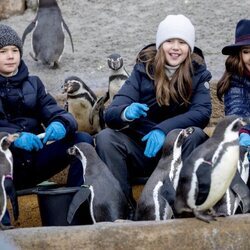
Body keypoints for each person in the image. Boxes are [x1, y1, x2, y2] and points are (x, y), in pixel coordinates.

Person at [95, 14, 212, 211]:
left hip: (177, 150)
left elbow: (202, 112)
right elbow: (111, 113)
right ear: (160, 44)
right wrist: (126, 112)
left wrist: (163, 130)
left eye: (182, 42)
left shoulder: (198, 73)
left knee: (196, 135)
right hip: (143, 149)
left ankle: (182, 204)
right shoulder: (142, 71)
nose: (175, 47)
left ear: (189, 48)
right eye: (169, 41)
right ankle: (123, 207)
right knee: (106, 138)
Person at [0, 24, 93, 224]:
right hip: (6, 167)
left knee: (82, 142)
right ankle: (3, 224)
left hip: (34, 161)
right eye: (3, 51)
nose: (10, 56)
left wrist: (61, 123)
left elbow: (57, 112)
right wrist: (11, 139)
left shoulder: (34, 83)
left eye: (15, 50)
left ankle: (75, 209)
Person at [217, 19, 250, 187]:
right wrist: (245, 131)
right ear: (239, 55)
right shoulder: (235, 80)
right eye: (246, 51)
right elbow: (238, 111)